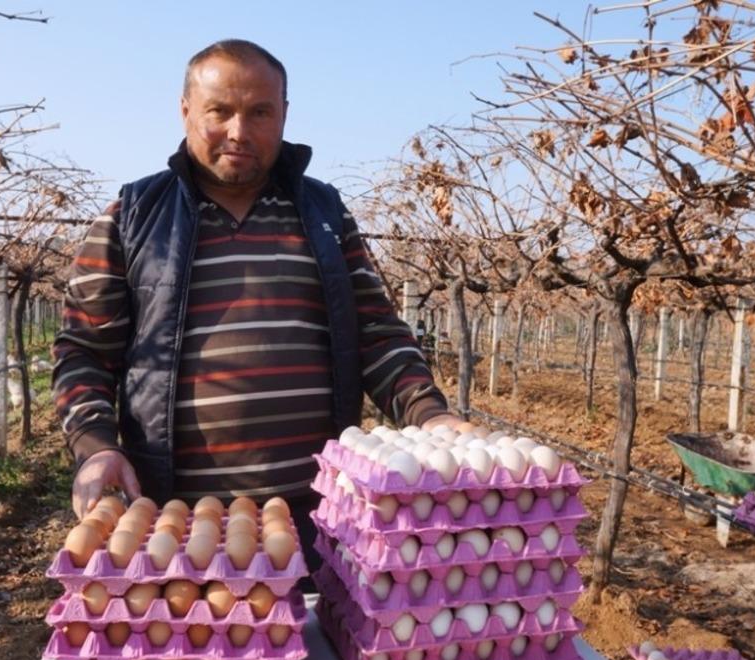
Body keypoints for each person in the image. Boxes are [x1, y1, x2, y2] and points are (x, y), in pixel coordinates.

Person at [52, 39, 460, 570]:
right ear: (186, 111)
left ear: (285, 115)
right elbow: (84, 350)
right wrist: (95, 444)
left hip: (318, 516)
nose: (239, 132)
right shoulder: (133, 218)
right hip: (174, 524)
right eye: (219, 111)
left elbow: (377, 334)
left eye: (260, 112)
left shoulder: (325, 215)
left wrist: (431, 415)